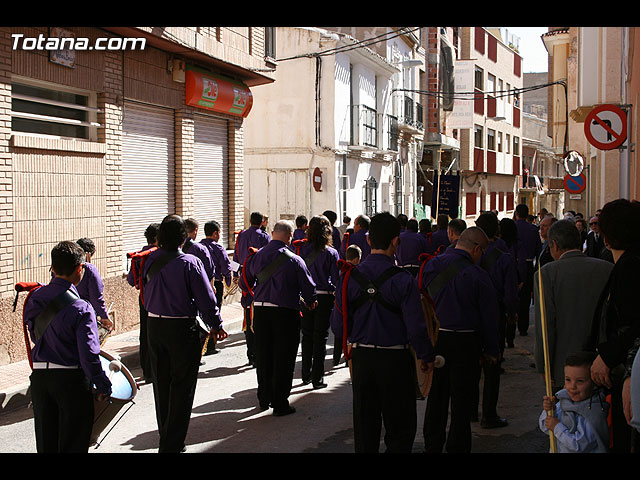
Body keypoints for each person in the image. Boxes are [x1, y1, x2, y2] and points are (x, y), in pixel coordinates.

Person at [331, 212, 435, 453]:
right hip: (395, 361)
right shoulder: (404, 280)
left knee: (365, 431)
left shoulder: (347, 277)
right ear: (395, 241)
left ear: (368, 241)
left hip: (362, 360)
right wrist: (426, 357)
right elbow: (416, 327)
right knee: (400, 430)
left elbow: (338, 327)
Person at [142, 215, 227, 453]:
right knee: (182, 386)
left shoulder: (150, 260)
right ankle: (172, 443)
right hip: (181, 327)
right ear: (183, 238)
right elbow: (206, 298)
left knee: (162, 384)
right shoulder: (190, 262)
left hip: (154, 326)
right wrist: (216, 324)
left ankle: (166, 435)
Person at [24, 241, 112, 452]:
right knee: (73, 443)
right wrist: (101, 384)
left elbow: (34, 333)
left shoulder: (35, 297)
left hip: (40, 380)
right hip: (70, 381)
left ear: (52, 268)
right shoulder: (82, 307)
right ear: (79, 269)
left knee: (47, 445)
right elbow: (89, 354)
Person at [421, 227, 500, 453]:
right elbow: (490, 319)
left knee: (437, 396)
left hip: (440, 338)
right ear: (476, 249)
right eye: (482, 252)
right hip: (468, 342)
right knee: (462, 400)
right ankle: (457, 446)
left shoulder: (432, 265)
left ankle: (432, 444)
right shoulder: (479, 276)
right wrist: (491, 350)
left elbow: (423, 300)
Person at [240, 220, 317, 416]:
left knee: (264, 355)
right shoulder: (295, 259)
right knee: (284, 357)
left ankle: (263, 399)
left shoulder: (257, 256)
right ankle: (280, 402)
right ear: (290, 236)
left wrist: (253, 296)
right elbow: (308, 287)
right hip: (285, 312)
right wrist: (310, 301)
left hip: (261, 311)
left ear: (273, 233)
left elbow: (244, 282)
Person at [533, 220, 613, 394]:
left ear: (553, 244)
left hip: (565, 370)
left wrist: (544, 366)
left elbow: (545, 326)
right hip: (604, 363)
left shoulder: (546, 274)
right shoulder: (607, 269)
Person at [588, 198, 640, 453]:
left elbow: (632, 323)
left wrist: (607, 357)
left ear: (607, 238)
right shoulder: (627, 264)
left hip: (627, 374)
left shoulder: (631, 266)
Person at [473, 212, 519, 429]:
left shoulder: (470, 254)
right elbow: (510, 291)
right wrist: (512, 313)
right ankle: (488, 413)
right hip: (495, 314)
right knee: (492, 364)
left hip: (471, 316)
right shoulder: (503, 257)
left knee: (472, 365)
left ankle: (471, 410)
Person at [298, 215, 340, 389]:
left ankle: (305, 374)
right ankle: (317, 378)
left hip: (305, 296)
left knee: (306, 336)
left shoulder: (302, 250)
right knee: (320, 337)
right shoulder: (331, 253)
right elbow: (336, 278)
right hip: (324, 296)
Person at [539, 351, 610, 453]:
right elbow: (545, 428)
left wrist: (556, 427)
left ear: (594, 384)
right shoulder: (563, 402)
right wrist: (549, 411)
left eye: (580, 381)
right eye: (568, 380)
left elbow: (579, 446)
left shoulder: (593, 412)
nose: (572, 386)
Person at [234, 211, 271, 367]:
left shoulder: (241, 236)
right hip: (260, 281)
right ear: (262, 222)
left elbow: (235, 257)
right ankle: (259, 352)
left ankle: (251, 353)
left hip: (245, 280)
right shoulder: (264, 237)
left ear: (250, 221)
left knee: (248, 316)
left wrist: (237, 274)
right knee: (259, 317)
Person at [126, 223, 160, 382]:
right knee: (157, 335)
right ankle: (156, 369)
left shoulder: (138, 255)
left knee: (145, 334)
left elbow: (131, 280)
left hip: (143, 299)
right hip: (159, 300)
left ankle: (147, 371)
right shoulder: (159, 255)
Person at [200, 220, 233, 356]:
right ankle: (211, 345)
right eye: (219, 232)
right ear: (215, 233)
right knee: (214, 311)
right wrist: (229, 281)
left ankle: (203, 345)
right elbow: (226, 267)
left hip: (201, 284)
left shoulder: (198, 247)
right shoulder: (218, 248)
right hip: (216, 284)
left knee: (202, 314)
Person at [514, 203, 542, 337]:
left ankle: (511, 326)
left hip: (514, 265)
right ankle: (523, 327)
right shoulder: (533, 229)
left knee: (513, 295)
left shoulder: (513, 227)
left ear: (516, 214)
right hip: (529, 265)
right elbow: (538, 251)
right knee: (525, 298)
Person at [333, 244, 362, 367]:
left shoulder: (342, 273)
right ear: (356, 260)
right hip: (352, 309)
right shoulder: (358, 274)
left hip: (340, 308)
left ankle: (335, 357)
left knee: (340, 335)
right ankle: (347, 360)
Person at [75, 237, 112, 331]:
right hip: (83, 314)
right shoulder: (89, 270)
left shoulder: (59, 268)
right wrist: (104, 316)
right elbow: (96, 297)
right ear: (88, 255)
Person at [183, 218, 215, 286]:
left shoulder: (175, 247)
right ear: (195, 230)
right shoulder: (200, 248)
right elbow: (209, 270)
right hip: (198, 287)